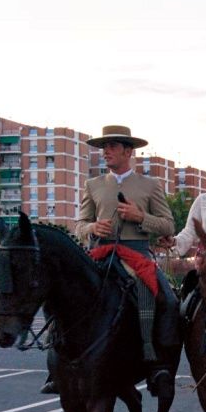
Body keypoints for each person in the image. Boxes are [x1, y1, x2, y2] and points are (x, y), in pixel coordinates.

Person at [68, 124, 178, 395]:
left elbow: (168, 226)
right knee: (64, 294)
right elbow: (79, 224)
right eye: (104, 147)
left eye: (113, 146)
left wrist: (140, 217)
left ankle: (158, 365)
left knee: (170, 301)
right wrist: (93, 228)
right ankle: (59, 364)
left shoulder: (150, 186)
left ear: (128, 151)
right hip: (100, 253)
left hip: (137, 255)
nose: (106, 151)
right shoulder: (92, 184)